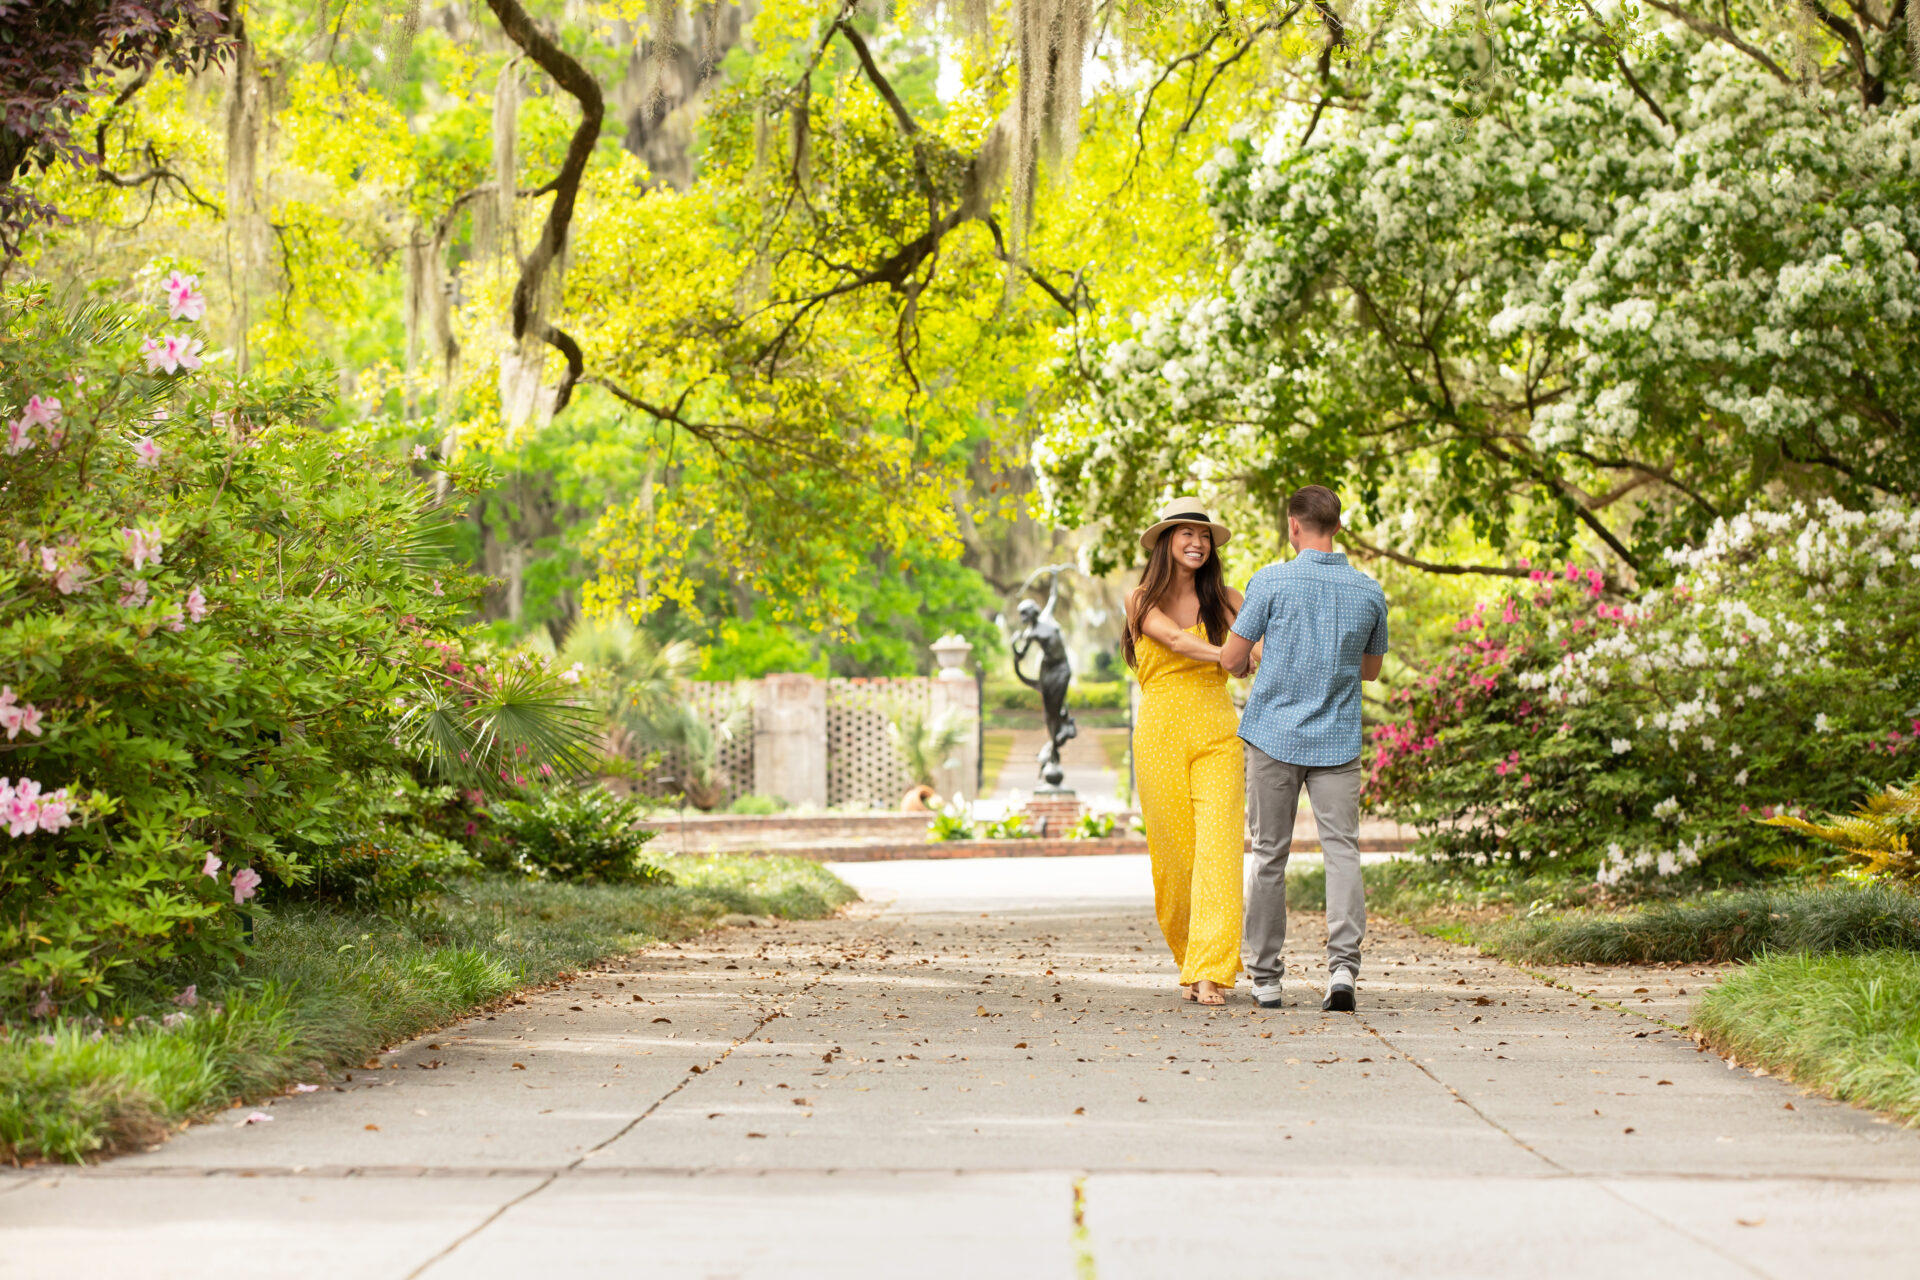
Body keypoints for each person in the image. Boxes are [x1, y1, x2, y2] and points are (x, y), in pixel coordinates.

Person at [1220, 485, 1388, 1012]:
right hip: (1336, 739)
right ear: (1336, 527)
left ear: (1294, 526)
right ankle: (1342, 970)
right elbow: (1370, 670)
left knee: (1270, 854)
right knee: (1343, 850)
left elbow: (1230, 659)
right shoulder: (1368, 592)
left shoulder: (1270, 582)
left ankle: (1266, 977)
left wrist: (1268, 651)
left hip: (1273, 735)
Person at [1124, 497, 1252, 1008]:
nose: (1197, 543)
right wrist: (1232, 653)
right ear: (1165, 542)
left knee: (1219, 851)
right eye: (1186, 534)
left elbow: (1262, 651)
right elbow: (1174, 639)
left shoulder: (1229, 600)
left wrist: (1266, 657)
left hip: (1218, 733)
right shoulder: (1138, 600)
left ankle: (1211, 969)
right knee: (1175, 861)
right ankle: (1191, 958)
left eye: (1204, 536)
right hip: (1159, 736)